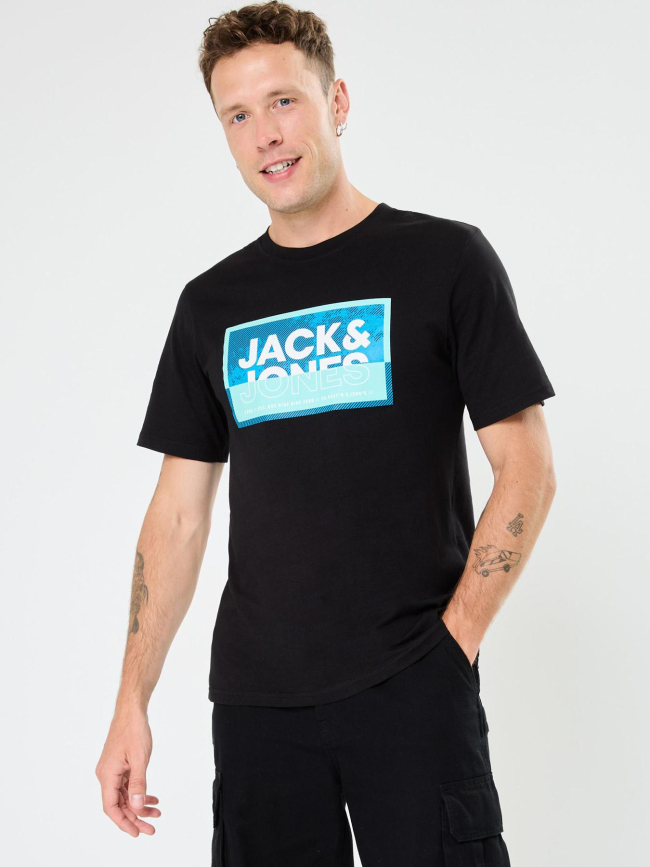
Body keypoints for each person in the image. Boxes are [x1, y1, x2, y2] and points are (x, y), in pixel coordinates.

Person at [95, 3, 557, 864]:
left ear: (337, 102)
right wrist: (132, 698)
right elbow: (178, 517)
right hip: (257, 704)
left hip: (413, 682)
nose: (265, 135)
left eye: (284, 101)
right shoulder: (210, 306)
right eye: (238, 115)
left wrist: (453, 642)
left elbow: (526, 465)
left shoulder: (446, 260)